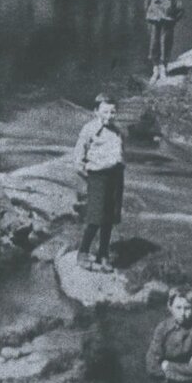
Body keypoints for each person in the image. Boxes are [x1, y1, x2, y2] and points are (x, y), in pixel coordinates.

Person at [72, 94, 127, 271]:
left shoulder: (118, 131)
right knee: (96, 216)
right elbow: (78, 158)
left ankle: (103, 254)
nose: (110, 115)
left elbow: (120, 153)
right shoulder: (89, 130)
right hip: (97, 176)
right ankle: (83, 252)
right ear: (96, 112)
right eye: (105, 111)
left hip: (115, 176)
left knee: (109, 217)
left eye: (113, 112)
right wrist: (89, 175)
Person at [144, 0, 184, 81]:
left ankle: (163, 68)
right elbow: (146, 6)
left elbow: (180, 10)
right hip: (154, 22)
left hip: (167, 23)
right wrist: (150, 16)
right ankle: (155, 68)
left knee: (165, 44)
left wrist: (173, 20)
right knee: (153, 44)